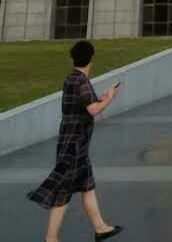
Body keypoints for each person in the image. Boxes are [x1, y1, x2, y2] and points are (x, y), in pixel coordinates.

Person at [28, 40, 124, 241]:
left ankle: (100, 227)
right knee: (63, 191)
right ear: (92, 58)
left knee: (87, 185)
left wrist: (101, 97)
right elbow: (93, 110)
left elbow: (84, 104)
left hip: (73, 142)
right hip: (75, 146)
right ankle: (51, 238)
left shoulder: (71, 78)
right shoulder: (81, 81)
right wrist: (110, 97)